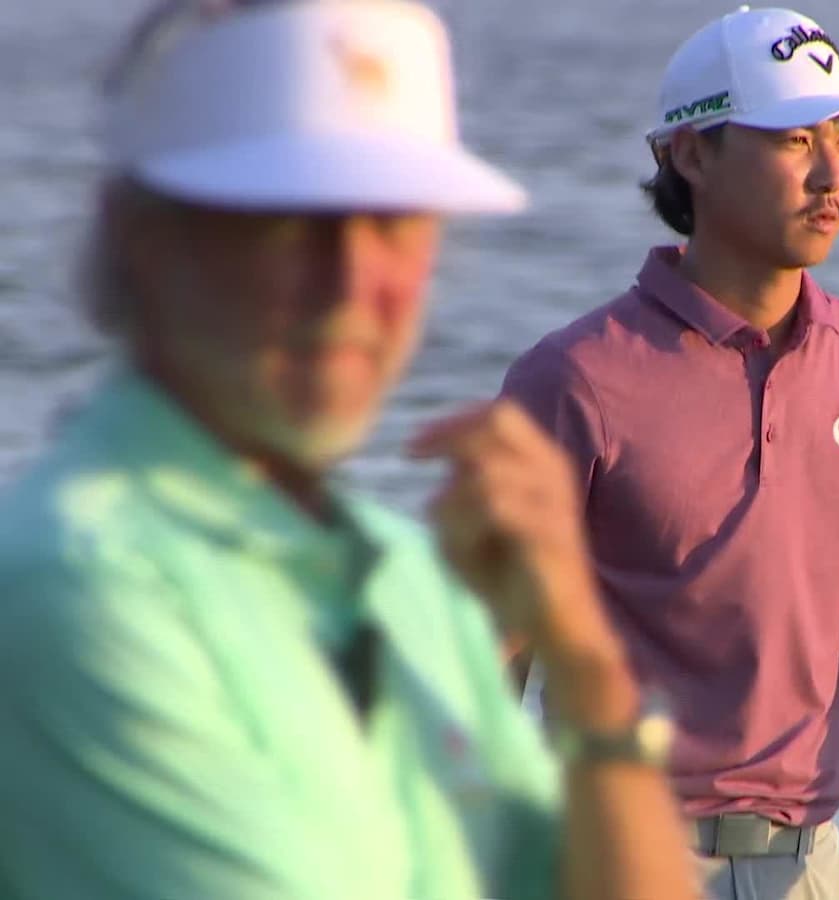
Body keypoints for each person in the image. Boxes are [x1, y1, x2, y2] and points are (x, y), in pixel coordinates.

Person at [0, 2, 694, 898]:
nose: (354, 282)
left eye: (396, 221)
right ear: (144, 237)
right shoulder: (77, 591)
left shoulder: (403, 577)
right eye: (293, 219)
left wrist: (587, 660)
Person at [501, 6, 839, 899]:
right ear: (691, 154)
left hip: (809, 867)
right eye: (794, 140)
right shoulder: (574, 380)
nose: (831, 173)